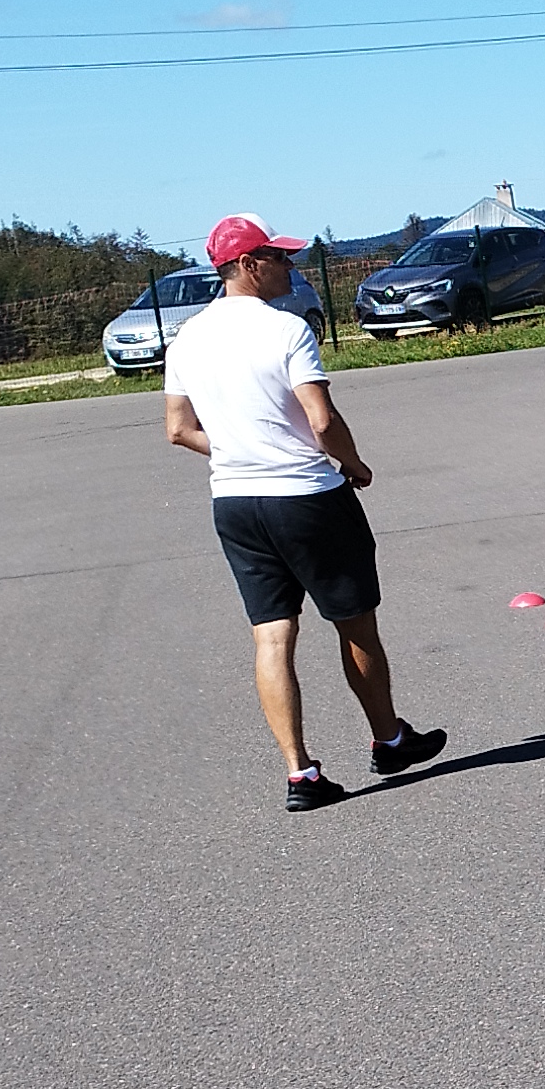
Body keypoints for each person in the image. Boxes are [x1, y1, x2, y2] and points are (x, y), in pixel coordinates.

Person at [162, 215, 445, 811]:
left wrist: (241, 449)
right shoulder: (285, 330)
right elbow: (321, 419)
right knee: (354, 623)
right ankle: (390, 740)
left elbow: (179, 430)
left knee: (272, 636)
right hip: (307, 498)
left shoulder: (187, 339)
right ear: (247, 265)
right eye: (279, 257)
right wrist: (355, 464)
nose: (290, 266)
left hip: (236, 503)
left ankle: (300, 774)